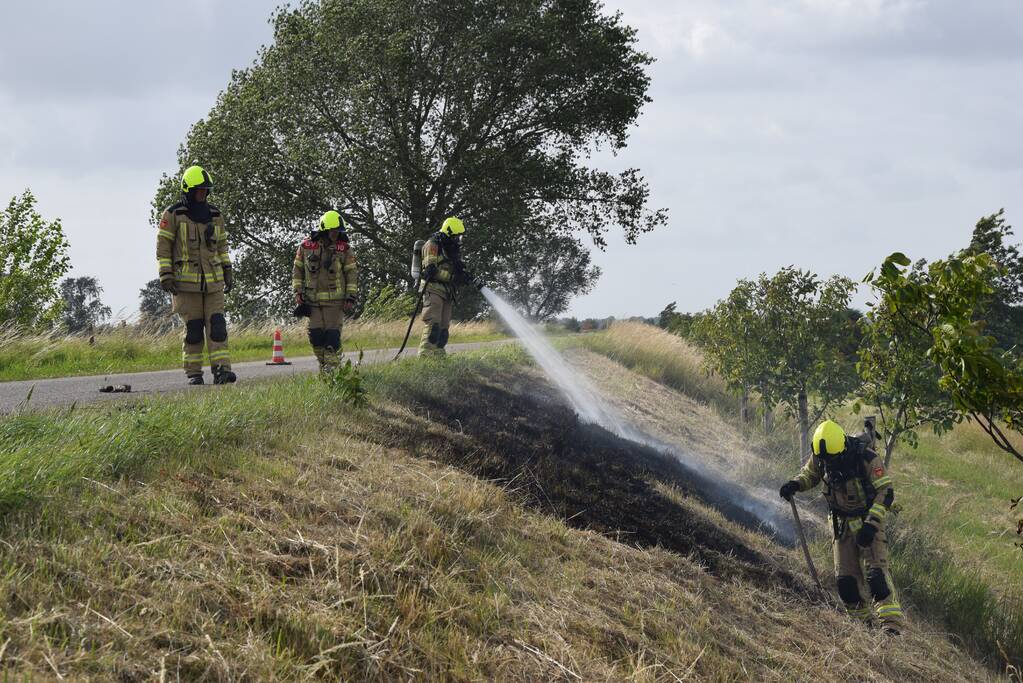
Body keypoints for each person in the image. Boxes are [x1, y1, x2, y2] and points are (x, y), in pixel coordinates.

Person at [780, 420, 902, 633]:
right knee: (846, 583)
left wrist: (871, 526)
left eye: (833, 459)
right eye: (826, 460)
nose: (830, 463)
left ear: (843, 447)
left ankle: (891, 629)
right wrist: (795, 484)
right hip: (841, 524)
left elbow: (886, 492)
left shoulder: (866, 457)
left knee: (877, 579)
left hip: (867, 520)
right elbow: (810, 474)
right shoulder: (823, 455)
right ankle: (863, 628)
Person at [156, 165, 236, 385]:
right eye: (199, 190)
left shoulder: (215, 215)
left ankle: (222, 370)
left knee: (217, 326)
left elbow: (222, 246)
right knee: (194, 329)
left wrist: (227, 270)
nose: (202, 193)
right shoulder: (173, 215)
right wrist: (166, 274)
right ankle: (194, 373)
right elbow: (163, 247)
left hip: (213, 283)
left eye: (205, 190)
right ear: (188, 190)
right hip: (185, 285)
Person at [292, 210, 358, 373]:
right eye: (333, 231)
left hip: (335, 303)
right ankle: (326, 367)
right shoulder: (306, 246)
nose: (336, 234)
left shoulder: (344, 249)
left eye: (338, 231)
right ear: (324, 230)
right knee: (316, 337)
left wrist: (350, 296)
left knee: (331, 338)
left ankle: (333, 371)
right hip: (312, 302)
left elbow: (351, 273)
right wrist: (298, 292)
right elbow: (297, 270)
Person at [418, 216, 469, 356]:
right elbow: (430, 271)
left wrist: (462, 276)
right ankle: (425, 355)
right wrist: (452, 278)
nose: (459, 239)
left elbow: (455, 269)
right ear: (450, 232)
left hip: (447, 292)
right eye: (457, 236)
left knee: (444, 327)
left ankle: (438, 357)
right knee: (433, 324)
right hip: (433, 289)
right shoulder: (432, 245)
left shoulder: (451, 250)